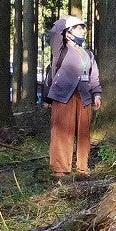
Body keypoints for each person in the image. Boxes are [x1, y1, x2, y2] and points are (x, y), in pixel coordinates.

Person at [44, 15, 103, 179]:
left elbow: (93, 76)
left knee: (83, 132)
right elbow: (55, 32)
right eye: (79, 28)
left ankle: (82, 168)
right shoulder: (60, 49)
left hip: (84, 96)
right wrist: (65, 20)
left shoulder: (88, 53)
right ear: (68, 32)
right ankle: (60, 169)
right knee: (62, 132)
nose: (83, 31)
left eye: (83, 28)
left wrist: (97, 94)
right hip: (63, 95)